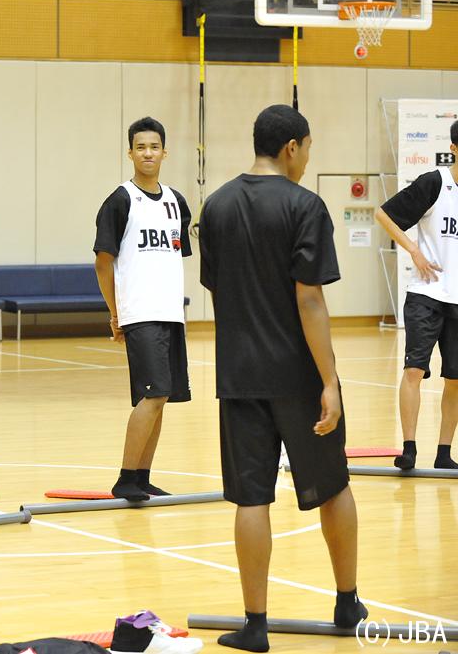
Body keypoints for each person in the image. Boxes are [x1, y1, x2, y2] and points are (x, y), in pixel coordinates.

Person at [198, 104, 366, 652]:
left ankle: (255, 625)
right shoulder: (305, 205)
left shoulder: (216, 206)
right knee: (333, 484)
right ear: (291, 146)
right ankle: (347, 603)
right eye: (308, 148)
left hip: (239, 376)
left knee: (252, 498)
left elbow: (218, 289)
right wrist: (330, 381)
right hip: (298, 377)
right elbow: (309, 298)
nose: (308, 158)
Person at [93, 116, 192, 501]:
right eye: (141, 147)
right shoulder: (120, 201)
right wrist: (116, 312)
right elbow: (103, 263)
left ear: (164, 152)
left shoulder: (176, 202)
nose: (148, 153)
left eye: (154, 147)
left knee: (162, 397)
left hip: (171, 313)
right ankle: (125, 478)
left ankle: (142, 477)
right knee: (152, 396)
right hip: (140, 313)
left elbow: (176, 257)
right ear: (130, 152)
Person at [374, 120, 458, 471]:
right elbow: (383, 214)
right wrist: (413, 249)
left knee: (455, 379)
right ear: (454, 149)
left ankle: (444, 453)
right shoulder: (434, 183)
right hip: (426, 294)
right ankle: (409, 448)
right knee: (414, 370)